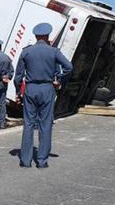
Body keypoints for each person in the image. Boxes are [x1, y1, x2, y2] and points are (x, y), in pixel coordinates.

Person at [14, 23, 73, 168]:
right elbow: (69, 67)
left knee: (28, 124)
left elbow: (18, 76)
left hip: (31, 88)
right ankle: (41, 161)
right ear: (48, 36)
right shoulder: (53, 52)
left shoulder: (26, 52)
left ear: (35, 36)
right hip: (47, 89)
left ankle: (26, 160)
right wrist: (59, 80)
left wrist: (18, 92)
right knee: (45, 124)